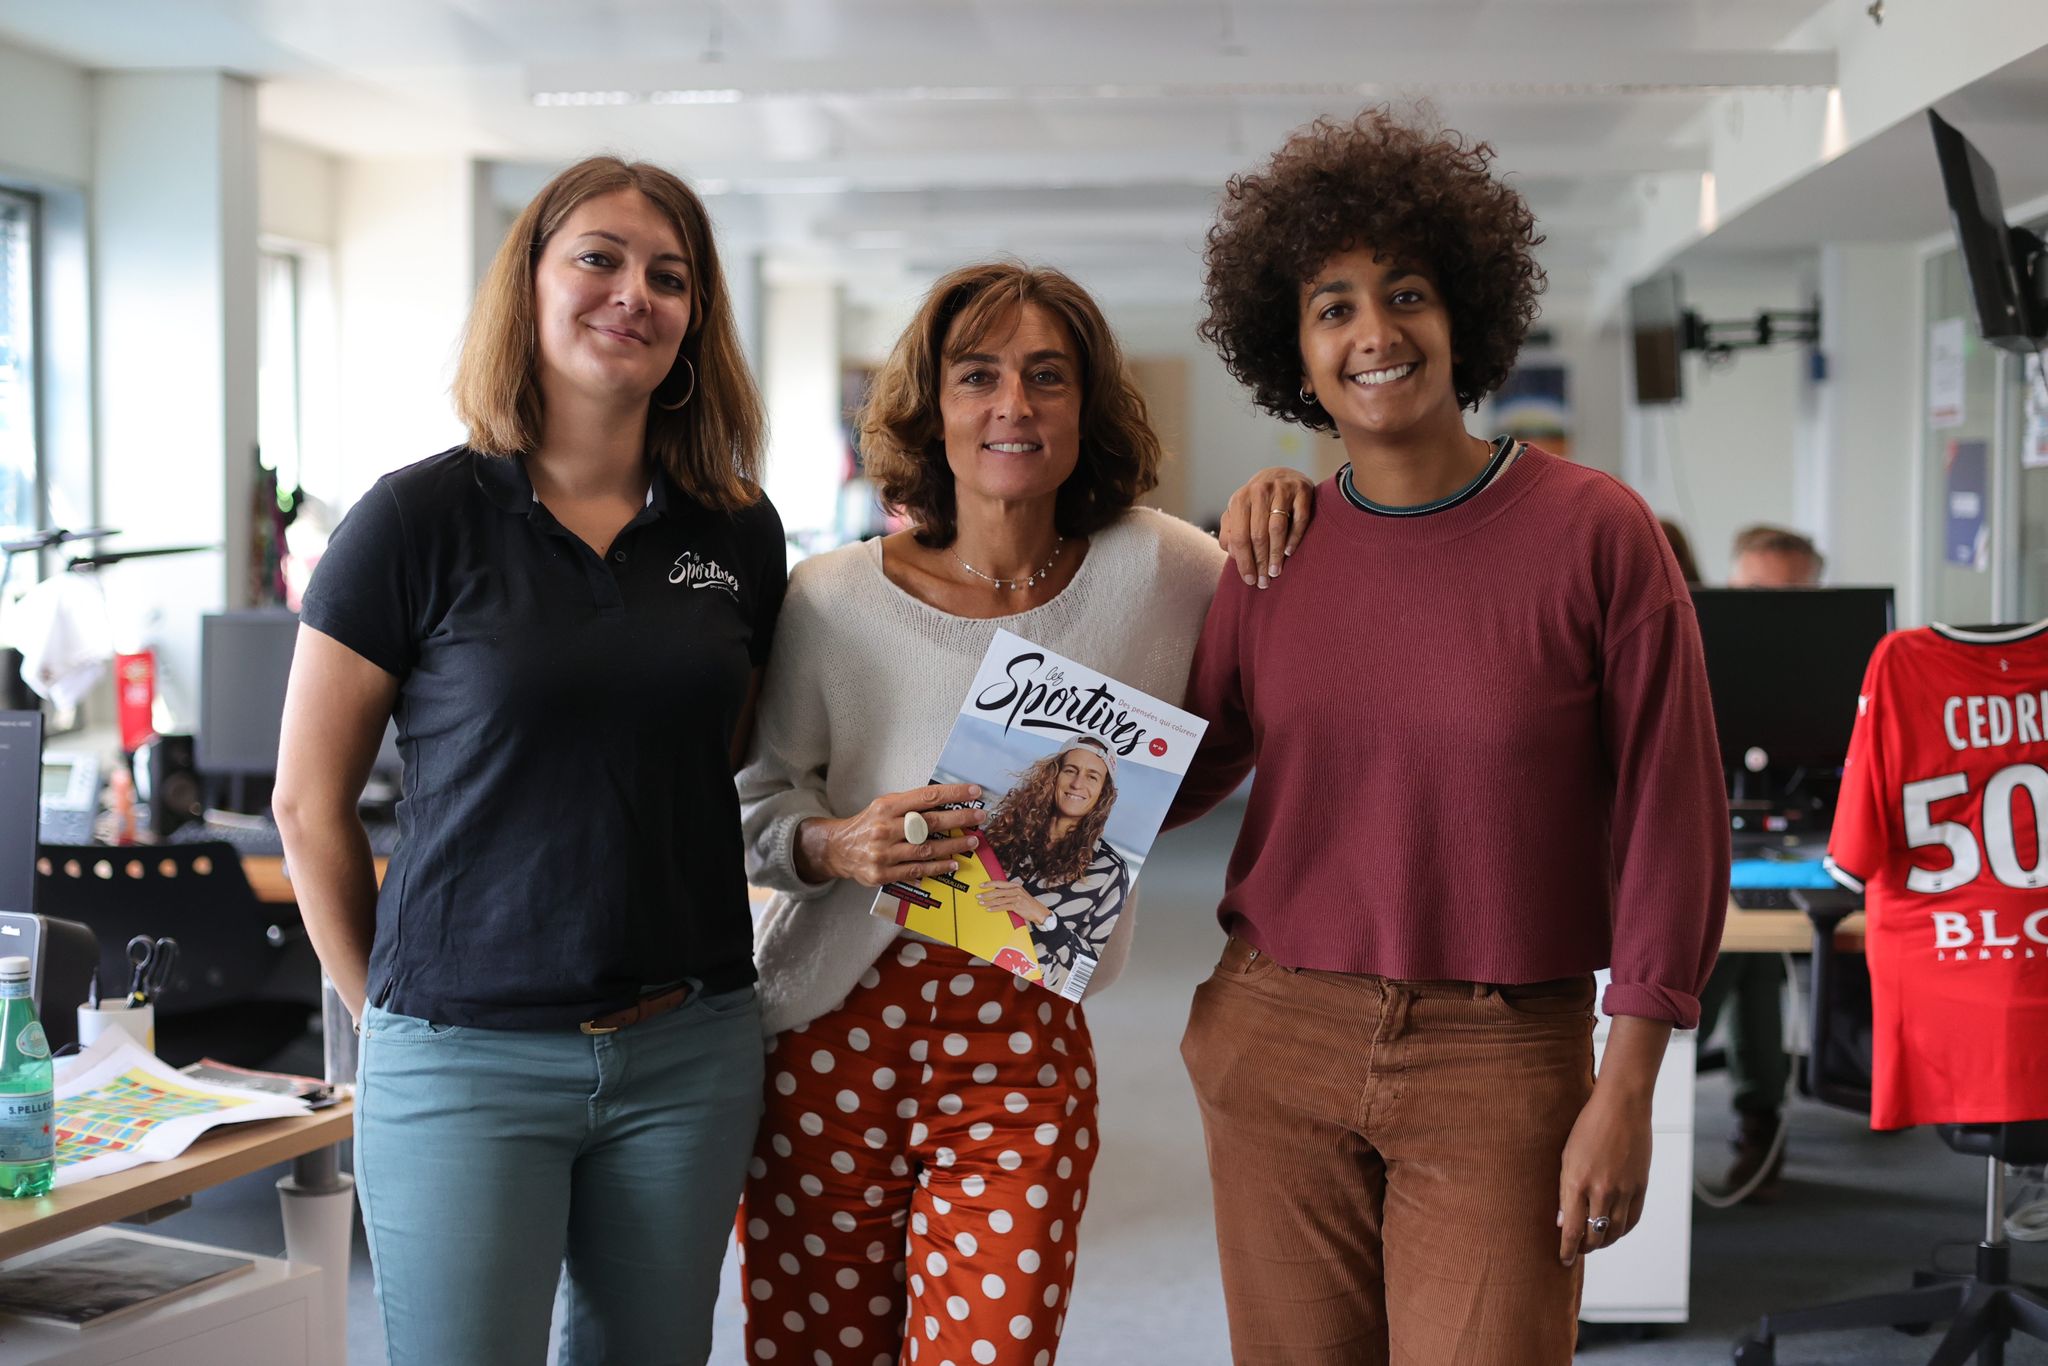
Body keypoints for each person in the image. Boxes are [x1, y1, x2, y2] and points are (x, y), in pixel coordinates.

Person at [1171, 108, 1730, 1364]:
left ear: (1461, 315)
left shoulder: (1596, 533)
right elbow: (1172, 766)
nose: (1373, 332)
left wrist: (1628, 1082)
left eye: (1405, 293)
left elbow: (1671, 815)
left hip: (1499, 1055)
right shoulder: (1270, 550)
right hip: (1274, 1032)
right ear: (1293, 351)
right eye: (1331, 306)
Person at [733, 260, 1316, 1366]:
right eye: (977, 375)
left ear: (1086, 408)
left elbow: (1281, 610)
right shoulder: (830, 598)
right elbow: (756, 798)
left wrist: (1278, 499)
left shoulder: (1160, 571)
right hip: (823, 1041)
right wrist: (833, 842)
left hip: (1019, 1054)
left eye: (1047, 376)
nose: (1013, 404)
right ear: (930, 405)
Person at [273, 156, 783, 1365]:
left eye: (670, 276)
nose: (634, 294)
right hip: (464, 1055)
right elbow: (307, 803)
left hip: (687, 1044)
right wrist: (385, 1020)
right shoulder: (416, 520)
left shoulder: (737, 528)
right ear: (532, 286)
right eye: (597, 258)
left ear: (694, 319)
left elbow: (730, 753)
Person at [1698, 522, 1827, 1203]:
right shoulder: (1689, 671)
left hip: (1802, 856)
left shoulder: (1841, 685)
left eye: (1791, 601)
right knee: (1741, 946)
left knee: (1739, 946)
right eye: (1751, 596)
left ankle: (1684, 1066)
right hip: (1703, 854)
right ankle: (1759, 1116)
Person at [976, 736, 1129, 996]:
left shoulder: (1110, 870)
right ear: (1053, 776)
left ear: (1103, 792)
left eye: (1092, 776)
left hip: (1023, 996)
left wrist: (1044, 918)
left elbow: (1093, 969)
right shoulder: (1005, 829)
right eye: (1070, 770)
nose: (1077, 783)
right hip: (955, 959)